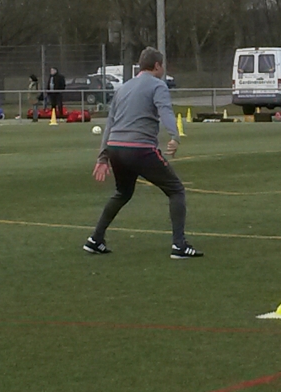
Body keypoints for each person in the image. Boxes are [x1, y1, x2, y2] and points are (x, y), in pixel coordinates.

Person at [84, 47, 203, 258]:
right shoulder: (158, 85)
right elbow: (165, 110)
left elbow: (110, 123)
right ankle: (179, 245)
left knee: (122, 192)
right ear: (157, 66)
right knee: (176, 190)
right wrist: (174, 136)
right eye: (162, 65)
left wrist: (103, 156)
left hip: (115, 148)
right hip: (139, 148)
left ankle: (95, 239)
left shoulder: (123, 88)